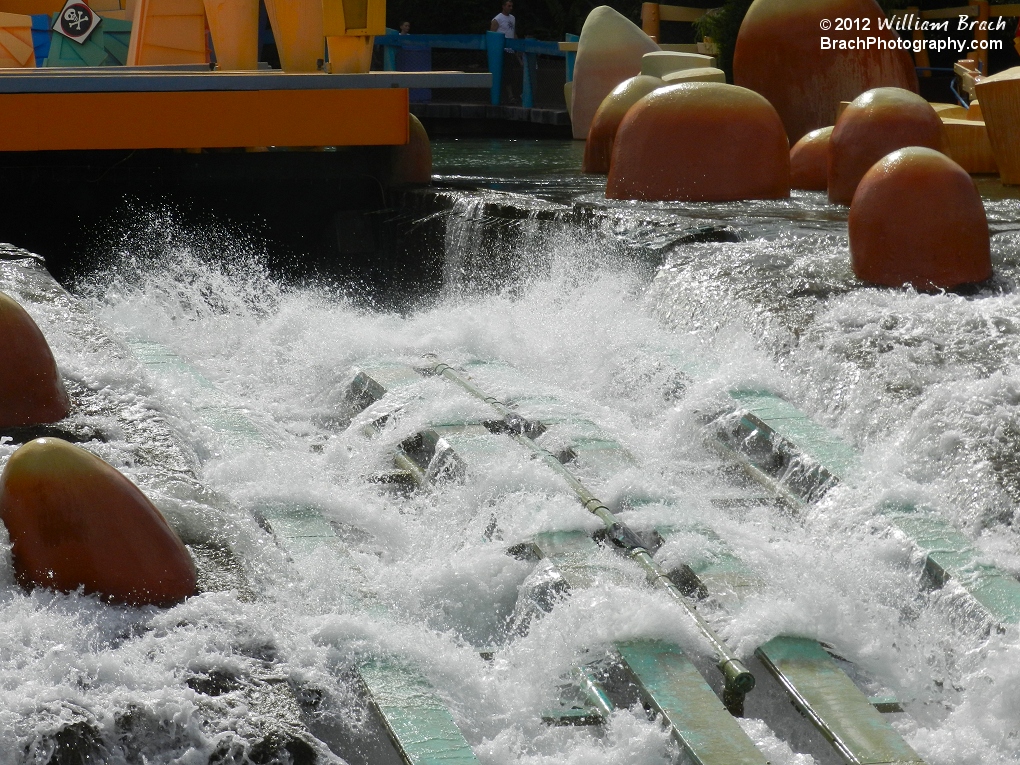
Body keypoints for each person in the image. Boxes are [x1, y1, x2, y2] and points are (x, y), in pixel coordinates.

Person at [490, 1, 522, 105]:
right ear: (503, 6)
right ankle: (509, 96)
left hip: (511, 49)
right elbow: (492, 35)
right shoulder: (497, 19)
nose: (510, 8)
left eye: (512, 6)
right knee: (507, 72)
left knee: (511, 72)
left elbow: (513, 32)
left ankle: (511, 95)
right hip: (502, 50)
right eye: (508, 6)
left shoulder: (512, 18)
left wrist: (518, 46)